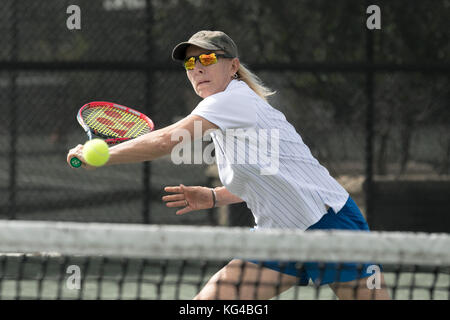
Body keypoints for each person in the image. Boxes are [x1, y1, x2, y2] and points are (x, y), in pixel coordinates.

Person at [67, 30, 390, 300]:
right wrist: (214, 197)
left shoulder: (232, 100)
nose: (197, 68)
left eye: (207, 59)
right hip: (278, 234)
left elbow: (167, 141)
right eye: (190, 63)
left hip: (327, 223)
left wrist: (106, 155)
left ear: (233, 66)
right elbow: (266, 177)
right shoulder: (224, 117)